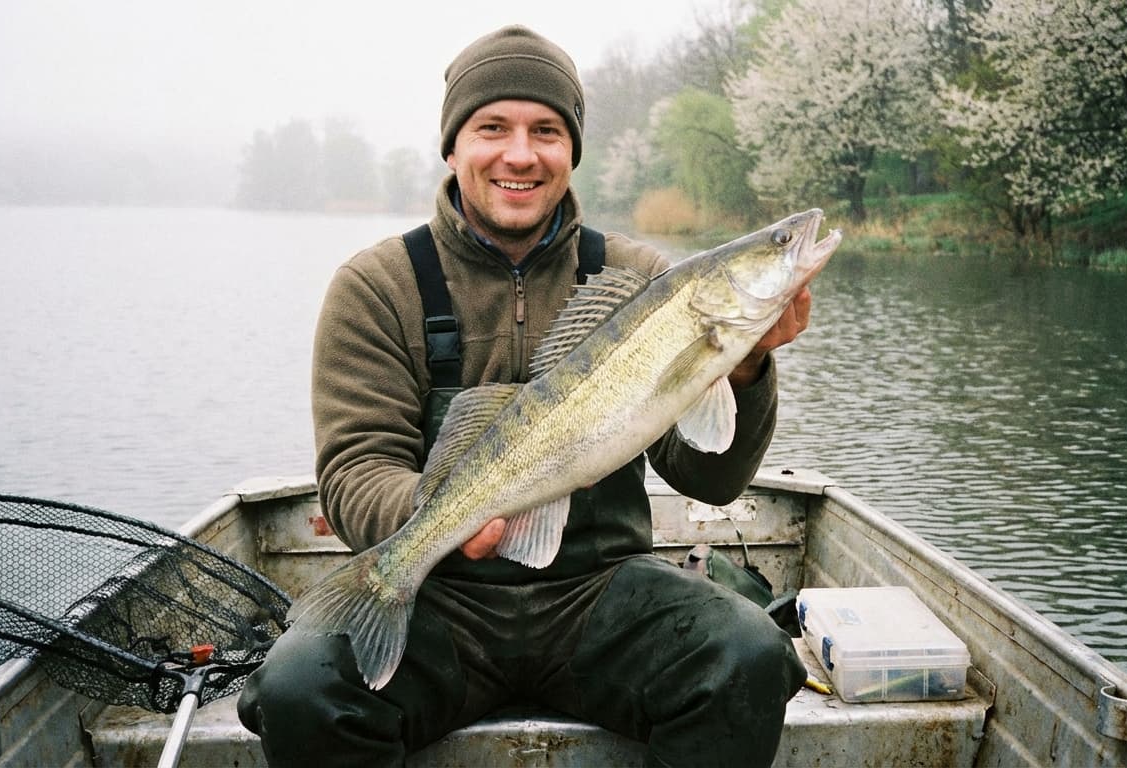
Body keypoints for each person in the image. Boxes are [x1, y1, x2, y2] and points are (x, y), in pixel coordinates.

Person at [237, 24, 809, 767]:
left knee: (750, 657)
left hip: (600, 595)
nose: (520, 153)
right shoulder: (377, 286)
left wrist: (744, 370)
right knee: (300, 688)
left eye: (546, 130)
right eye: (492, 128)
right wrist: (439, 517)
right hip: (444, 599)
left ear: (571, 149)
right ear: (453, 146)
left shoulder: (641, 278)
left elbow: (715, 478)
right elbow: (355, 471)